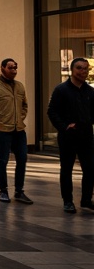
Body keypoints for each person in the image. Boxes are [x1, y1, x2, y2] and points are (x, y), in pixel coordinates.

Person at [47, 56, 94, 214]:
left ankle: (86, 200)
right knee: (66, 169)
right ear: (72, 70)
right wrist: (64, 127)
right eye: (79, 68)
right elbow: (52, 111)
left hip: (86, 135)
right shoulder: (61, 90)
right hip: (68, 136)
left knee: (90, 168)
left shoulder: (90, 91)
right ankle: (68, 201)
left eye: (85, 68)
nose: (83, 71)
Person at [0, 57, 32, 205]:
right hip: (2, 130)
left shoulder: (20, 86)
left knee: (22, 159)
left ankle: (19, 191)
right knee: (3, 160)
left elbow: (24, 105)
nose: (14, 70)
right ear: (2, 68)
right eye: (10, 67)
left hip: (19, 129)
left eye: (15, 67)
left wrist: (20, 118)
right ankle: (3, 191)